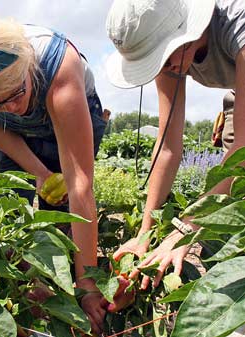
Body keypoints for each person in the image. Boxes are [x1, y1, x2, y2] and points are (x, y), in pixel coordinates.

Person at [0, 16, 107, 334]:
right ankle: (27, 288)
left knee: (61, 212)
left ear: (26, 67)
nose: (13, 107)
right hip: (5, 135)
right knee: (9, 211)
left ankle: (66, 289)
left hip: (61, 109)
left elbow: (79, 185)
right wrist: (40, 172)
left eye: (16, 93)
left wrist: (88, 284)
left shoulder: (57, 67)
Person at [105, 0, 245, 296]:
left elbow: (243, 153)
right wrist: (146, 232)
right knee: (220, 224)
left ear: (186, 31)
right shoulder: (170, 54)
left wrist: (184, 230)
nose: (164, 69)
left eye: (163, 58)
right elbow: (168, 145)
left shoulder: (239, 25)